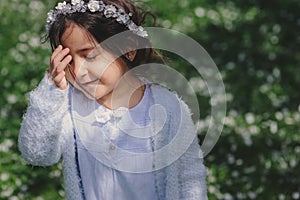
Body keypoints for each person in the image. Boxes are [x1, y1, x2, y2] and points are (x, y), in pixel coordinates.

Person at [18, 0, 207, 199]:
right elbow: (36, 153)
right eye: (69, 61)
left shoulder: (169, 107)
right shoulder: (66, 107)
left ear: (129, 49)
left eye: (90, 56)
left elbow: (190, 178)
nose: (79, 72)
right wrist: (51, 90)